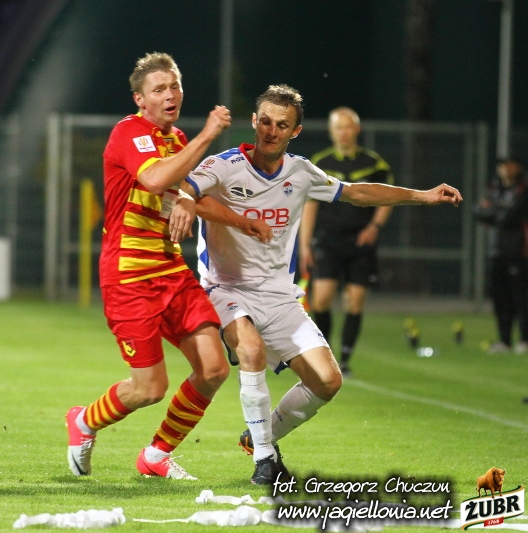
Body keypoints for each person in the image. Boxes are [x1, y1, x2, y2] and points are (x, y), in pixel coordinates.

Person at [180, 84, 463, 485]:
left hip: (279, 295)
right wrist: (202, 209)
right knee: (252, 350)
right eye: (265, 121)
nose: (271, 131)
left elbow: (357, 193)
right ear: (254, 121)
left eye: (282, 125)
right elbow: (185, 189)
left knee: (328, 381)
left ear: (295, 131)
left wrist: (423, 195)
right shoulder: (224, 165)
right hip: (225, 288)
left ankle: (260, 435)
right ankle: (265, 459)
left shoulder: (301, 172)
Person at [65, 52, 258, 481]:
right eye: (159, 89)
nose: (170, 95)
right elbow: (154, 179)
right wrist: (208, 135)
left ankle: (156, 455)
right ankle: (83, 421)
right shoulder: (128, 133)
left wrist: (238, 220)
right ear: (140, 99)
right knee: (149, 388)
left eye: (175, 86)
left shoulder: (177, 139)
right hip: (129, 276)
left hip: (170, 270)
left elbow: (184, 190)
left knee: (213, 369)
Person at [298, 107, 395, 377]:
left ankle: (345, 359)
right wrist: (304, 246)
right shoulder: (320, 162)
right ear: (331, 132)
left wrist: (374, 227)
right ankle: (326, 355)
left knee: (355, 301)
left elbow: (388, 197)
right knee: (321, 301)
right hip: (328, 240)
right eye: (338, 127)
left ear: (357, 130)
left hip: (361, 242)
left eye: (348, 127)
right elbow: (310, 205)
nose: (344, 132)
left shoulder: (373, 163)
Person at [473, 156, 528, 354]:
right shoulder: (494, 188)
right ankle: (504, 341)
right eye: (501, 165)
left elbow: (512, 216)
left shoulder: (523, 188)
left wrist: (493, 210)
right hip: (496, 250)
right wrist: (497, 211)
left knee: (521, 297)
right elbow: (477, 211)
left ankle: (525, 339)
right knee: (500, 298)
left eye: (508, 165)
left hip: (519, 251)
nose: (503, 169)